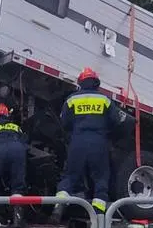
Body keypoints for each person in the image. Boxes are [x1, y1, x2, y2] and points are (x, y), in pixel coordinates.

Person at [50, 67, 121, 223]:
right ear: (96, 83)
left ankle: (58, 207)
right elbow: (115, 121)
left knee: (70, 176)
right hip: (98, 142)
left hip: (78, 141)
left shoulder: (71, 99)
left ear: (80, 83)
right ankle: (98, 217)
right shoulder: (105, 99)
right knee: (101, 178)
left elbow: (65, 122)